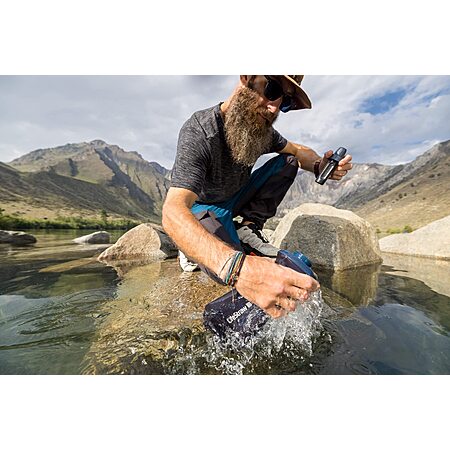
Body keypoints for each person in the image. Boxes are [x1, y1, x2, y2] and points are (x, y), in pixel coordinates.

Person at [162, 75, 353, 319]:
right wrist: (238, 269)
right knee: (225, 271)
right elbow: (173, 210)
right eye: (272, 89)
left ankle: (248, 227)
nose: (275, 108)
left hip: (237, 198)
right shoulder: (200, 130)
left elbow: (298, 151)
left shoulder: (261, 130)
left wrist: (318, 164)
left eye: (285, 102)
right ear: (247, 77)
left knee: (288, 161)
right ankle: (190, 251)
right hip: (204, 208)